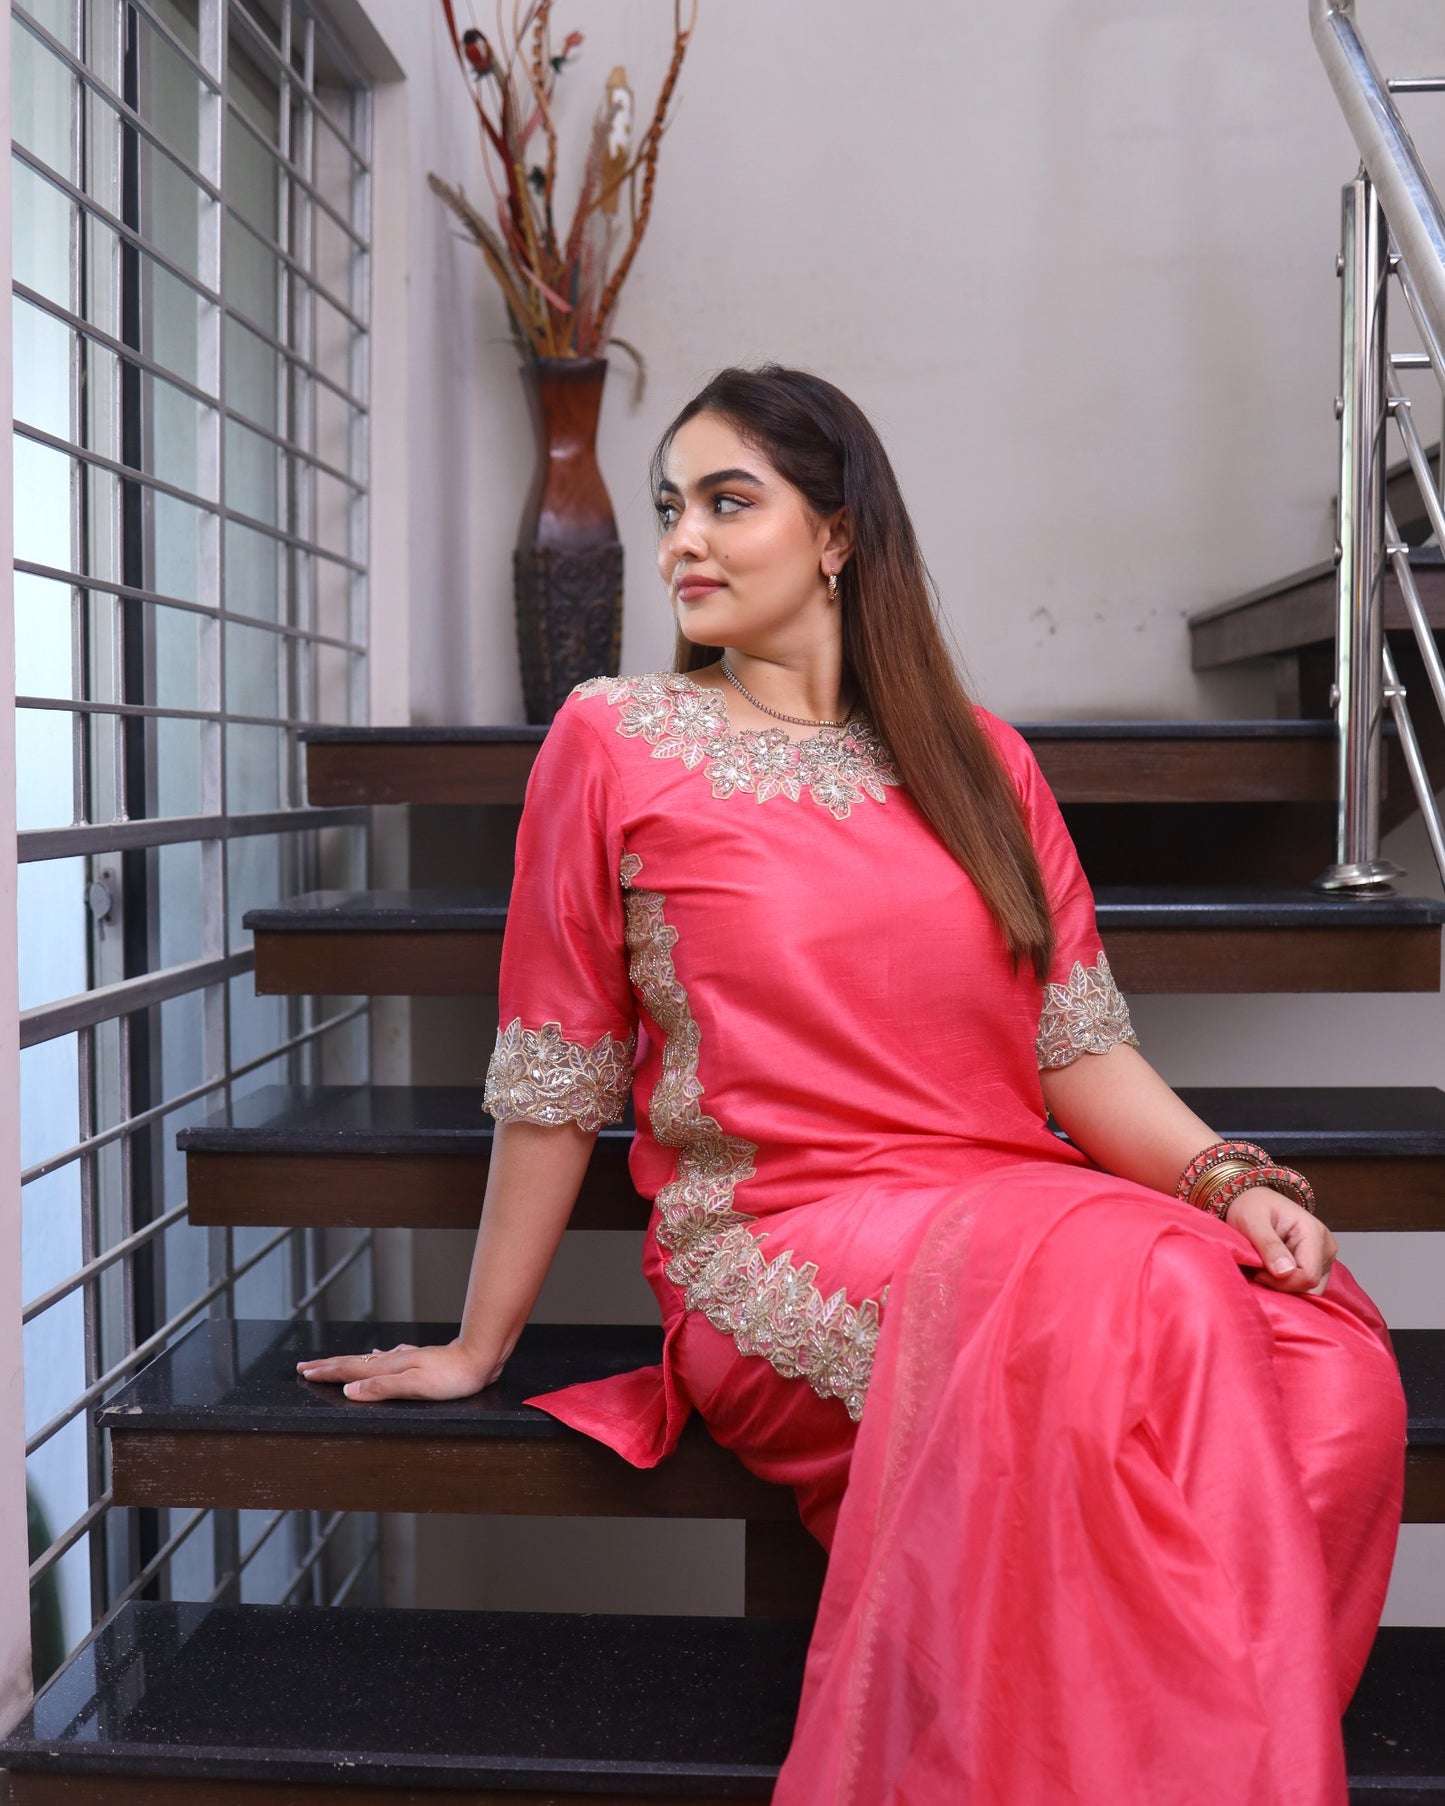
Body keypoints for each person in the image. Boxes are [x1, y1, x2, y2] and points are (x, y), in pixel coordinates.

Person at [297, 364, 1406, 1805]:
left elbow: (1076, 1049)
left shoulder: (978, 760)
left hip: (1016, 1208)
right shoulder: (613, 739)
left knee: (1331, 1365)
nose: (682, 539)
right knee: (1166, 1322)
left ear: (835, 536)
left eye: (728, 500)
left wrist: (1228, 1179)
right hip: (777, 1235)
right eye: (668, 508)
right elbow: (555, 1073)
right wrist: (476, 1340)